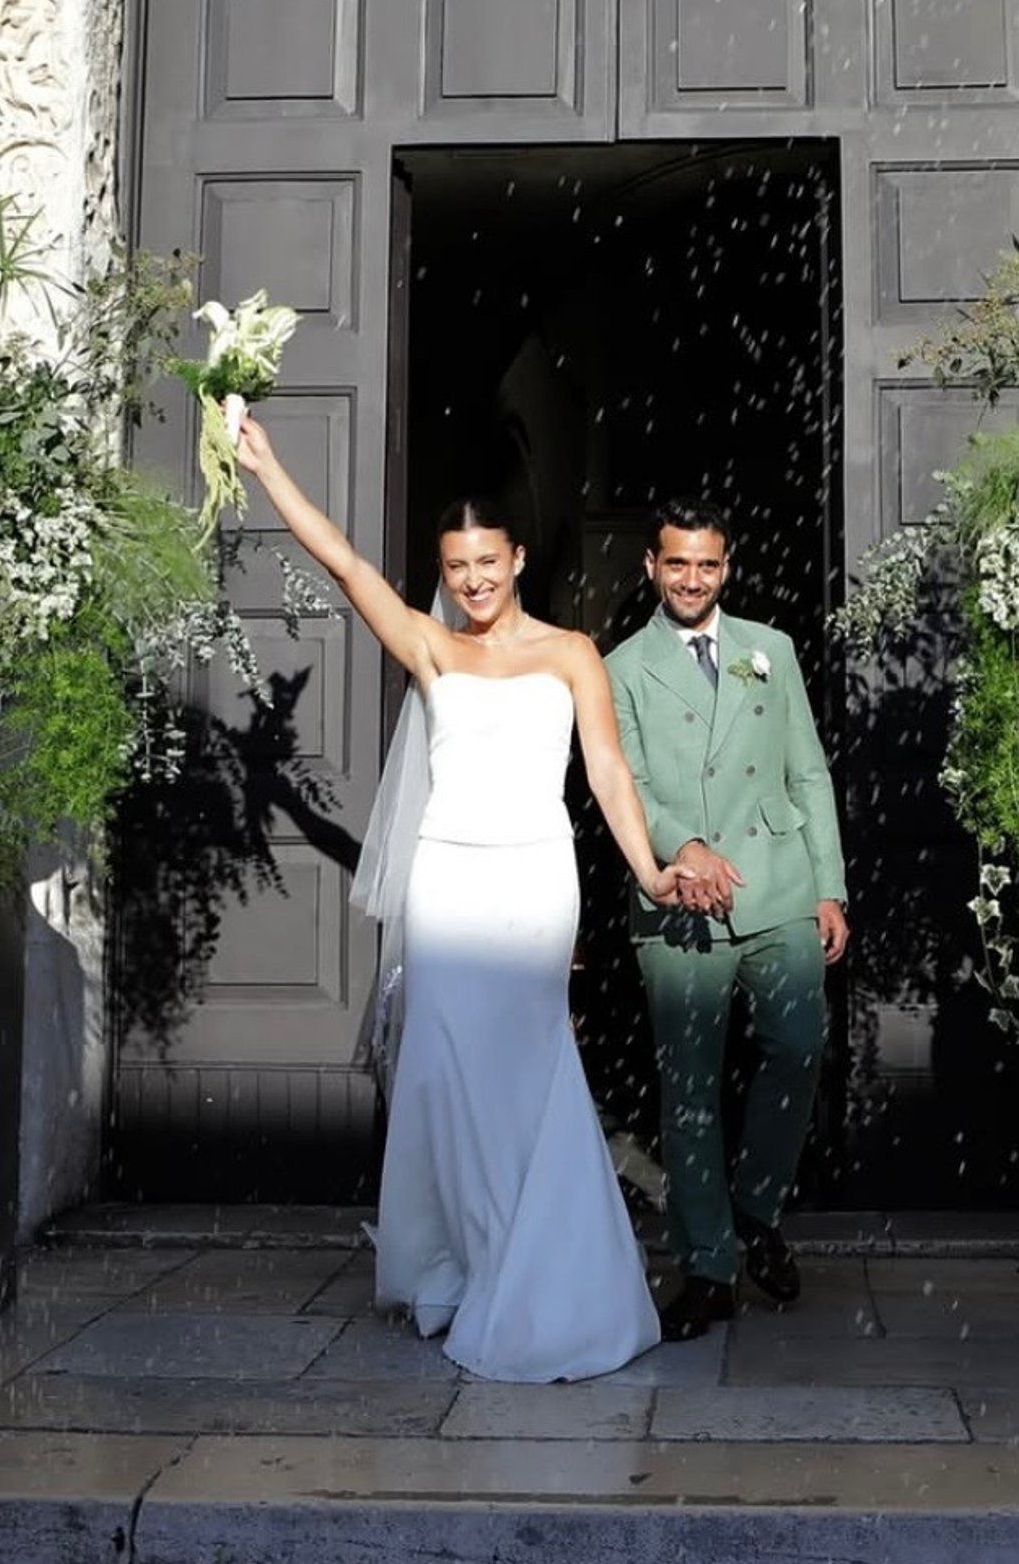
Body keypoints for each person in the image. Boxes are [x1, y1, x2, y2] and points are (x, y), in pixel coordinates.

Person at [235, 416, 676, 1381]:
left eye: (486, 561)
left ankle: (543, 1278)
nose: (473, 579)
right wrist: (268, 467)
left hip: (534, 879)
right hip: (446, 880)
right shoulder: (432, 646)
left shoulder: (573, 653)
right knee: (446, 1077)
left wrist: (648, 870)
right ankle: (460, 1265)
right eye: (455, 565)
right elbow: (347, 565)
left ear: (517, 558)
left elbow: (607, 771)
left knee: (530, 1071)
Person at [605, 498, 849, 1342]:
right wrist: (683, 846)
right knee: (690, 1088)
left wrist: (829, 886)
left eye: (706, 564)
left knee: (799, 1046)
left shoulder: (769, 648)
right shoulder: (620, 666)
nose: (692, 579)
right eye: (677, 562)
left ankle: (755, 1208)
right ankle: (707, 1266)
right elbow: (625, 782)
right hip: (680, 896)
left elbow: (807, 771)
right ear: (651, 565)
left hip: (778, 882)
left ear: (727, 566)